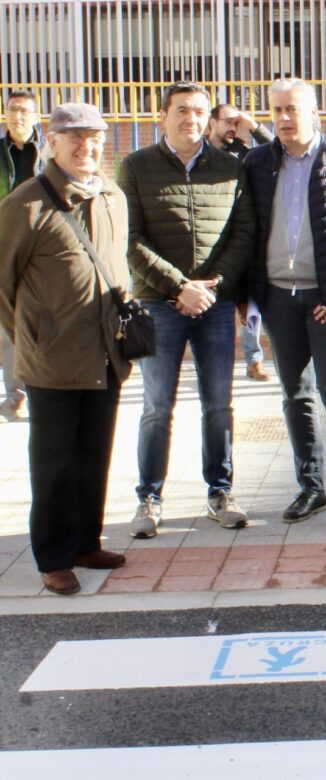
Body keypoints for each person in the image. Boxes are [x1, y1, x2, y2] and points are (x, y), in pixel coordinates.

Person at [0, 103, 131, 595]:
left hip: (105, 352)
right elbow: (2, 283)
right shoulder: (26, 203)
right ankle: (53, 556)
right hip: (52, 359)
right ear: (51, 142)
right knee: (54, 462)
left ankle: (85, 542)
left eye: (94, 137)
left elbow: (117, 267)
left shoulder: (113, 195)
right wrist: (33, 335)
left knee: (94, 454)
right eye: (73, 137)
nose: (85, 146)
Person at [119, 82, 255, 539]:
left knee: (218, 404)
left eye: (199, 111)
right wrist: (179, 287)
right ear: (162, 116)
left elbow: (244, 232)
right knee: (158, 407)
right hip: (159, 304)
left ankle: (221, 492)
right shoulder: (136, 166)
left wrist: (214, 286)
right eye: (181, 110)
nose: (190, 118)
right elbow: (131, 239)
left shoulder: (230, 168)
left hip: (214, 303)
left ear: (209, 120)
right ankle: (149, 497)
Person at [243, 78, 326, 533]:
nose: (283, 118)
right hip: (278, 298)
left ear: (314, 112)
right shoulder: (257, 162)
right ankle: (311, 488)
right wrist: (247, 295)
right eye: (277, 109)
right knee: (295, 395)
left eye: (293, 109)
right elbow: (246, 230)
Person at [208, 103, 274, 382]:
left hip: (243, 237)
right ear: (211, 122)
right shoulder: (198, 152)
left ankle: (254, 360)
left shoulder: (243, 153)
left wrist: (254, 125)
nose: (233, 128)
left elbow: (276, 150)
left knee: (249, 305)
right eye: (227, 121)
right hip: (211, 240)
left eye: (237, 123)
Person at [0, 89, 44, 423]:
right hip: (3, 245)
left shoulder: (48, 153)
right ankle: (16, 396)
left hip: (41, 247)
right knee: (7, 324)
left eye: (25, 111)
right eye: (13, 109)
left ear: (36, 116)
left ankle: (40, 390)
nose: (18, 116)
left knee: (40, 320)